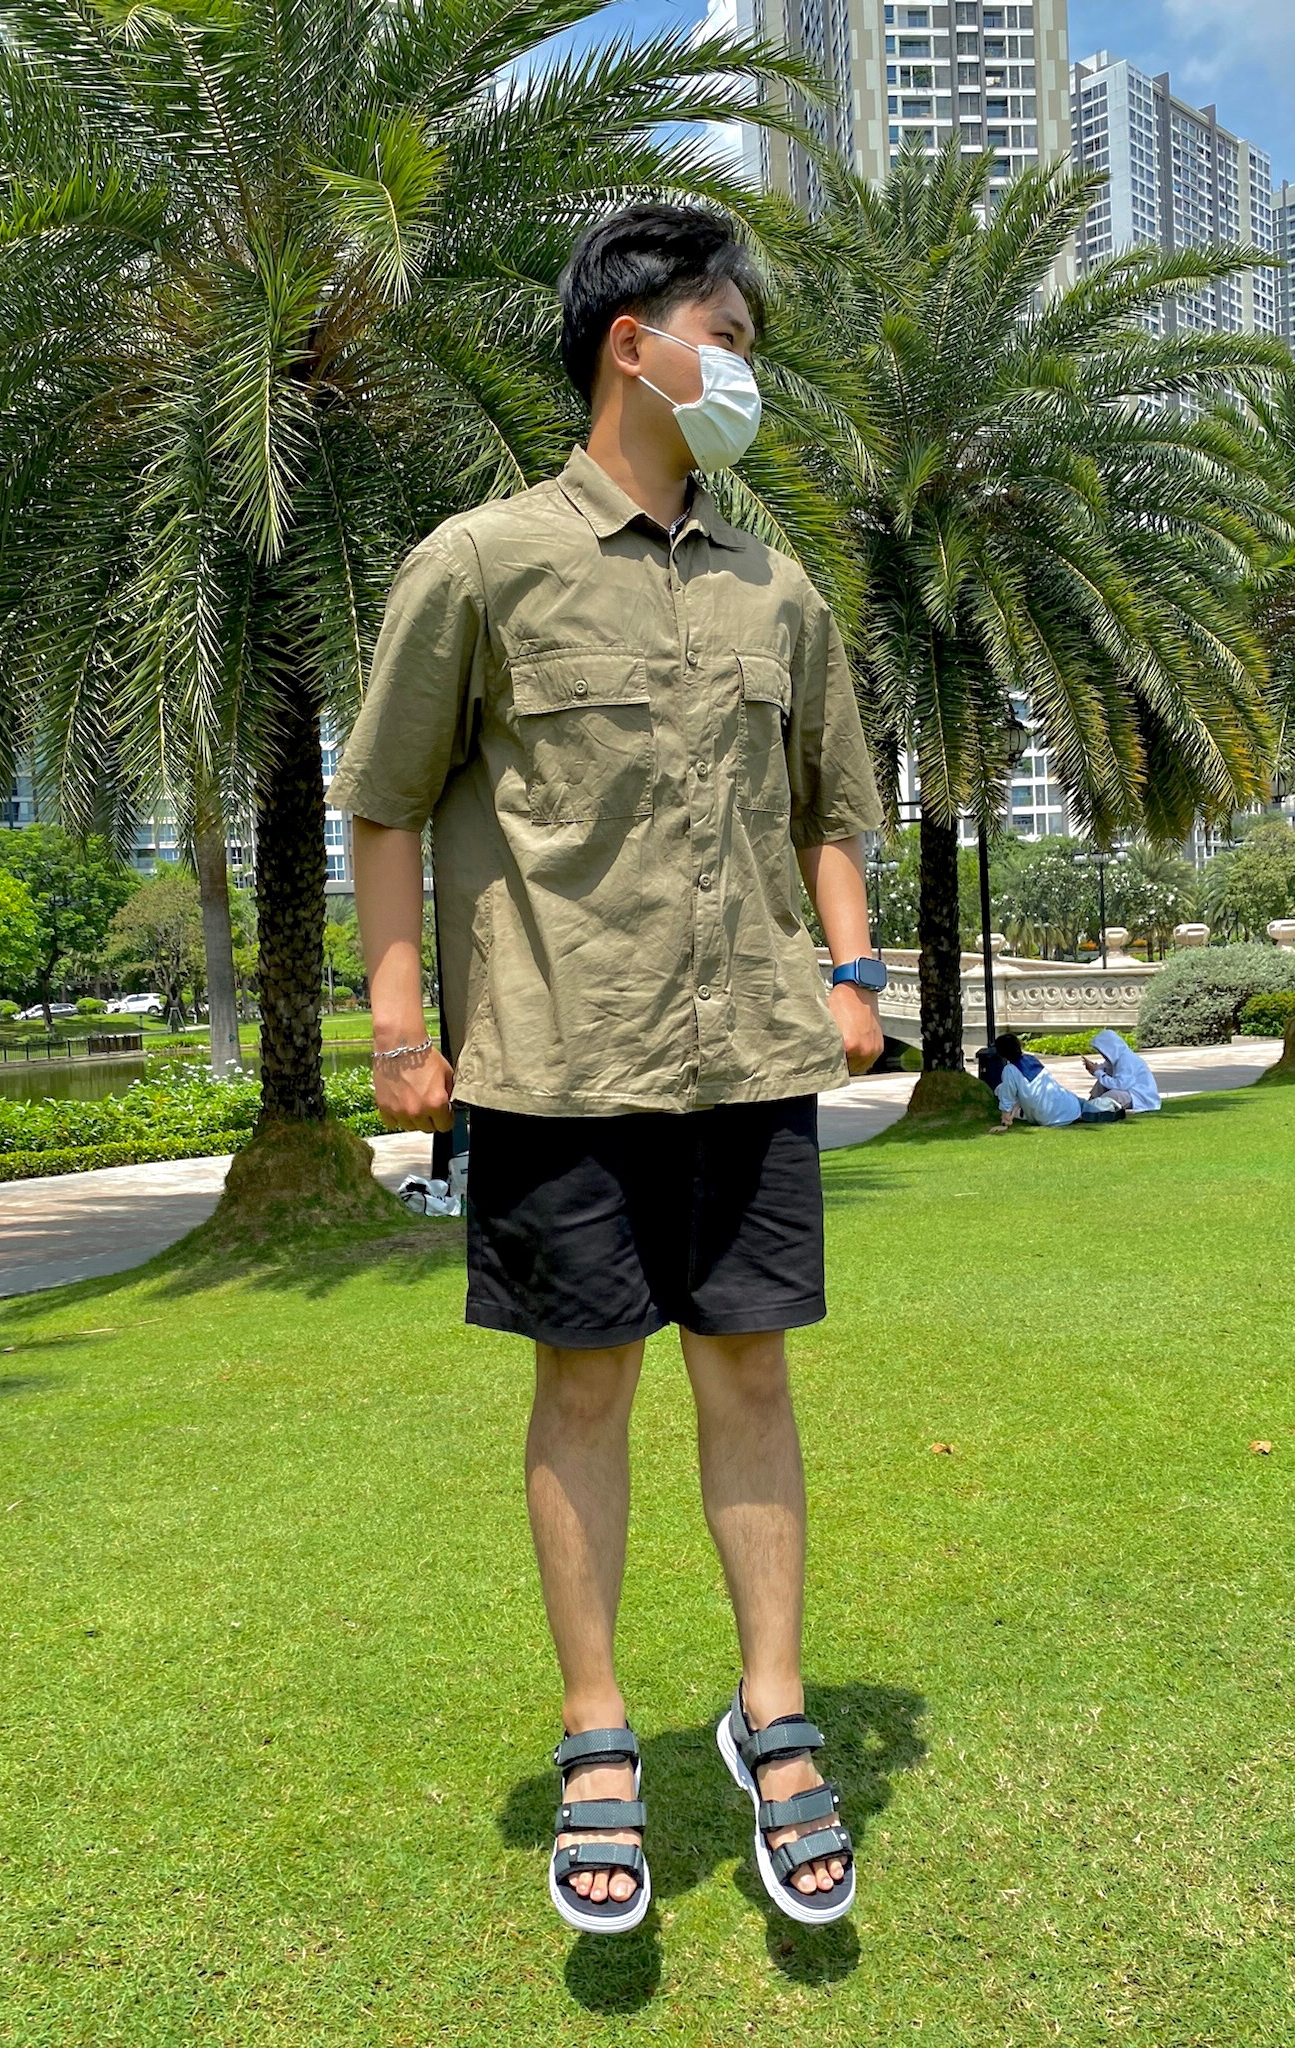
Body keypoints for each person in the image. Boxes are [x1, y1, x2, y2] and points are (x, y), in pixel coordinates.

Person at [330, 204, 885, 1935]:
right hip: (557, 1065)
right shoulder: (480, 563)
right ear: (632, 346)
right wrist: (401, 1026)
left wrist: (853, 968)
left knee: (752, 1376)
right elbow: (385, 803)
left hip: (749, 1057)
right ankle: (596, 1732)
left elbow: (833, 804)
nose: (748, 373)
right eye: (730, 338)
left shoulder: (776, 586)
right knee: (583, 1390)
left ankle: (773, 1712)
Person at [984, 1033, 1125, 1131]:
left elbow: (1009, 1097)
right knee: (1084, 1105)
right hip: (1060, 1105)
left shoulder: (1010, 1070)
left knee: (1085, 1106)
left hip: (1046, 1115)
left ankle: (1108, 1108)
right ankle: (1111, 1107)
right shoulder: (1030, 1060)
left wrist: (1005, 1120)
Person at [1081, 1028, 1161, 1112]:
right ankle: (1088, 1105)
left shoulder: (1126, 1060)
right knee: (1101, 1083)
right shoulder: (1116, 1058)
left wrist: (1097, 1072)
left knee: (1113, 1095)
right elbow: (1105, 1070)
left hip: (1138, 1096)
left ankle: (1092, 1109)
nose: (1103, 1055)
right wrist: (1094, 1069)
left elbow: (1120, 1085)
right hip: (1128, 1092)